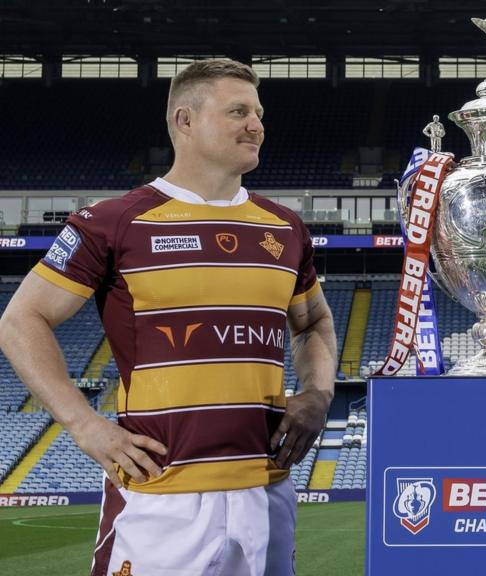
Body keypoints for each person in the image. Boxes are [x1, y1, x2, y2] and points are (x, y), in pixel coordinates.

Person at [0, 58, 337, 575]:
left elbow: (313, 323)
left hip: (268, 489)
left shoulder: (284, 227)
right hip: (161, 496)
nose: (257, 124)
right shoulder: (113, 222)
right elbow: (21, 320)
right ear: (185, 120)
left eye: (259, 112)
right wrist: (84, 425)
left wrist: (318, 393)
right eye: (238, 111)